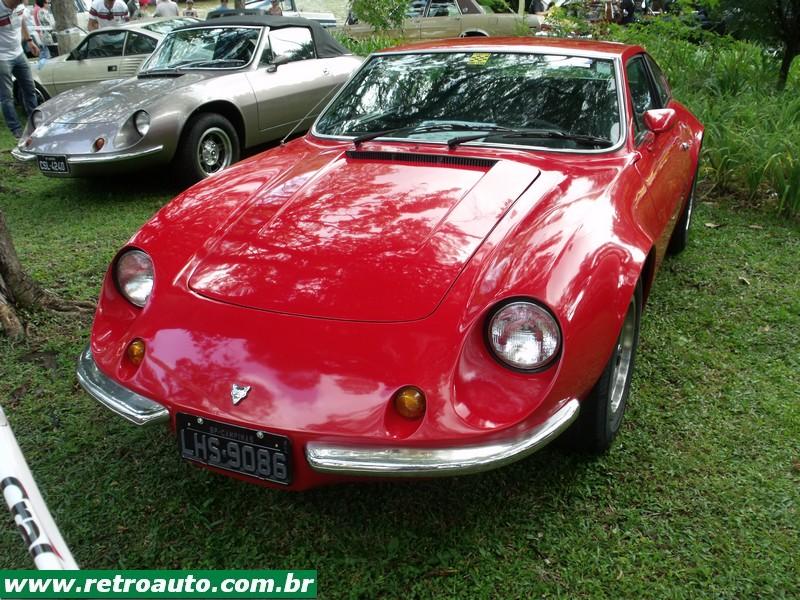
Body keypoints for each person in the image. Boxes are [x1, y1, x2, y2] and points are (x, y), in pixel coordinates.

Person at [0, 0, 39, 139]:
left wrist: (29, 41)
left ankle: (35, 122)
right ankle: (15, 129)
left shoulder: (20, 6)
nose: (20, 4)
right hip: (2, 57)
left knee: (30, 89)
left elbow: (21, 20)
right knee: (7, 96)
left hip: (19, 53)